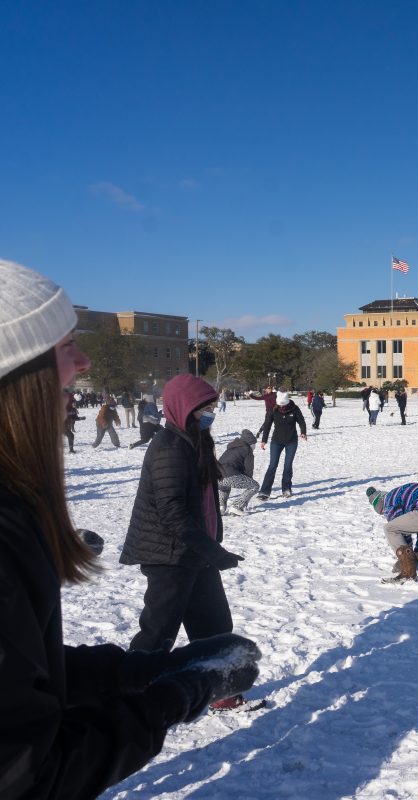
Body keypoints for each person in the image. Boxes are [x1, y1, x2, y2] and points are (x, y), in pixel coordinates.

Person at [0, 260, 262, 796]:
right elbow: (30, 774)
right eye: (63, 342)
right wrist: (174, 697)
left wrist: (136, 677)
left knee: (185, 634)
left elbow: (30, 681)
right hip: (170, 554)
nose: (85, 358)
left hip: (194, 553)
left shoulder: (14, 513)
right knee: (158, 626)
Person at [121, 373, 260, 710]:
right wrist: (215, 551)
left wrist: (211, 549)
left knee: (215, 626)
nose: (210, 414)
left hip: (196, 553)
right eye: (204, 409)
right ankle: (124, 691)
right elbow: (171, 513)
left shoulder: (194, 441)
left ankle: (221, 692)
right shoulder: (169, 447)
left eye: (212, 407)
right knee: (157, 634)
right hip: (169, 556)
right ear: (183, 409)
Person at [257, 391, 307, 499]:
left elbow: (301, 421)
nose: (282, 407)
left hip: (291, 441)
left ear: (287, 402)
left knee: (288, 465)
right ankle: (264, 491)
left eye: (283, 404)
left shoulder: (294, 408)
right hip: (276, 441)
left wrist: (303, 432)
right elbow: (267, 425)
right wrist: (264, 440)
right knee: (272, 465)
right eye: (280, 405)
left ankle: (286, 489)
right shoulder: (272, 410)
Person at [218, 429, 260, 516]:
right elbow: (248, 470)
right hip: (229, 475)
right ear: (250, 443)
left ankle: (221, 507)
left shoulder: (232, 447)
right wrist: (249, 482)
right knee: (254, 486)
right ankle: (236, 506)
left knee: (225, 486)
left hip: (217, 476)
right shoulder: (247, 450)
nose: (254, 446)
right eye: (254, 444)